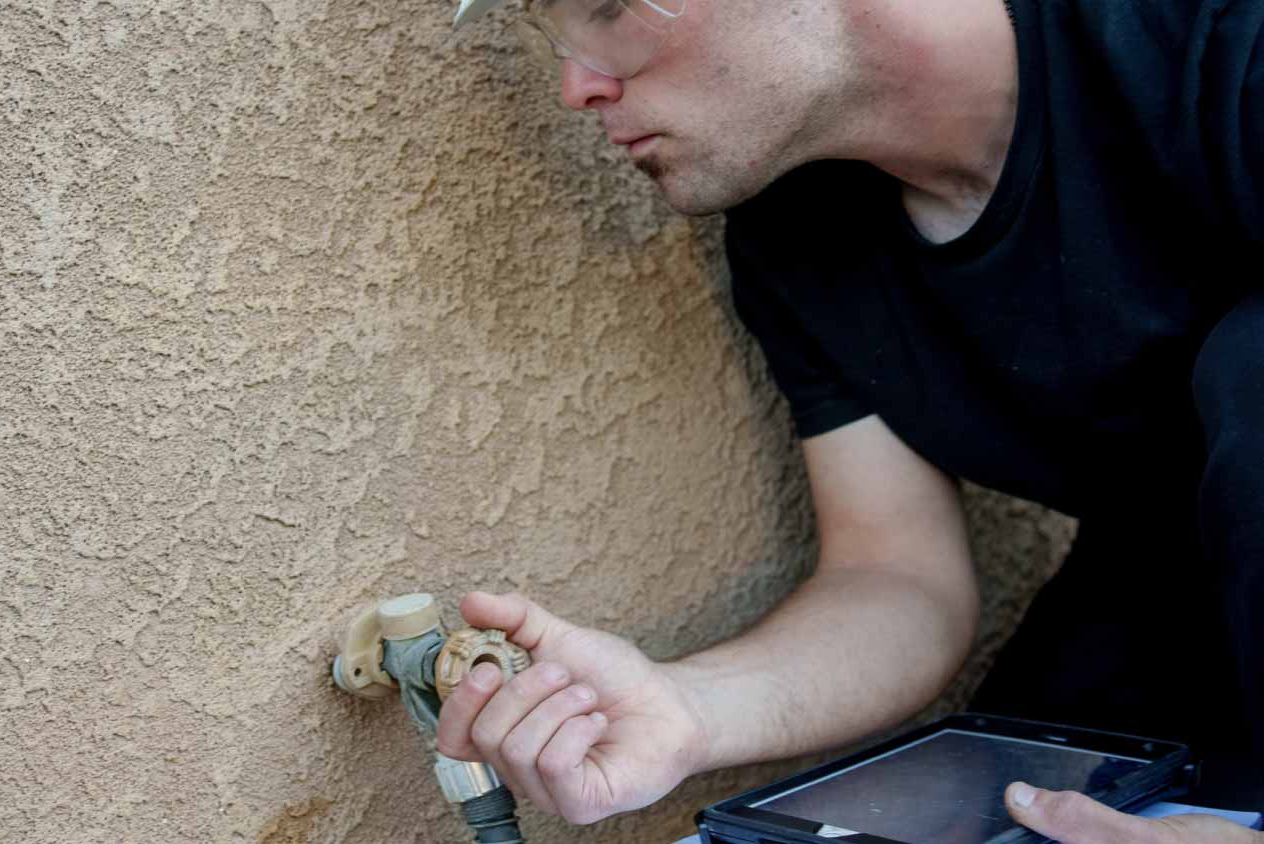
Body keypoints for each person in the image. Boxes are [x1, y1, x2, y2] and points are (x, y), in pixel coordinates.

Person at [433, 0, 1264, 841]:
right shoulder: (795, 224)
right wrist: (687, 708)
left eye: (606, 10)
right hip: (1164, 620)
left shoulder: (1223, 45)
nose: (576, 86)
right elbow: (900, 576)